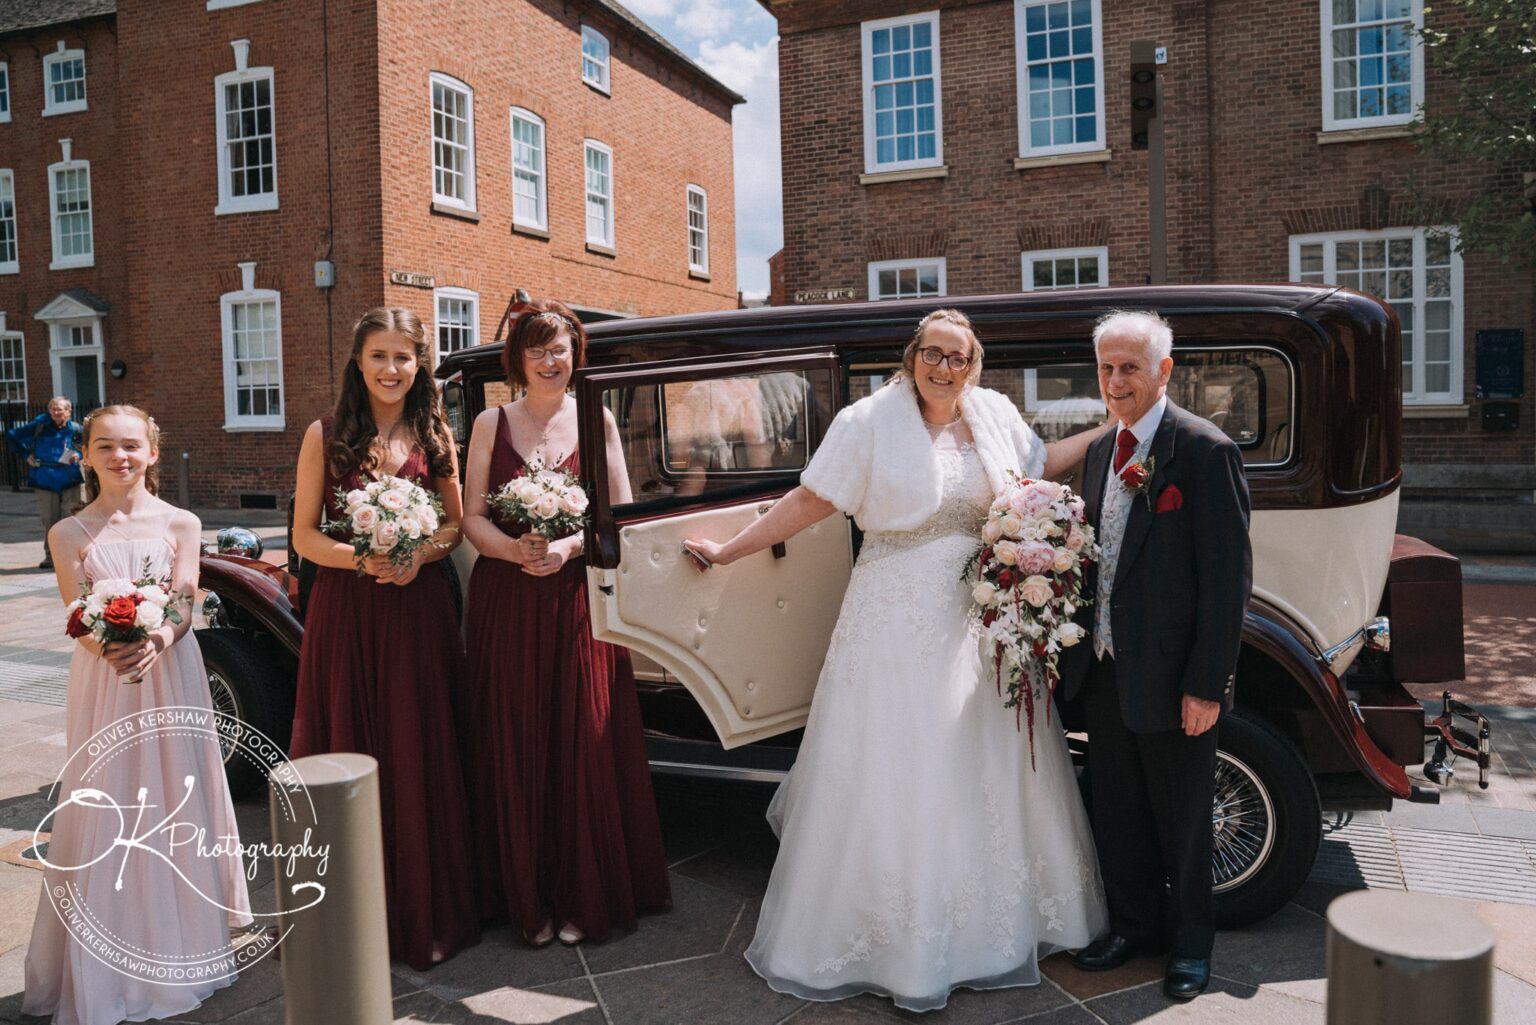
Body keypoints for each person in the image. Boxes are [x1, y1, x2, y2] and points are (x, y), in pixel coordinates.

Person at [685, 308, 1110, 1012]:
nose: (945, 367)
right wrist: (730, 550)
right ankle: (896, 943)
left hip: (981, 617)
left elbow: (1042, 464)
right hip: (893, 616)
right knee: (901, 759)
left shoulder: (994, 414)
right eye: (933, 353)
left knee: (986, 757)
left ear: (974, 364)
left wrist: (1114, 428)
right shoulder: (867, 422)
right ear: (912, 357)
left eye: (958, 357)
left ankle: (995, 928)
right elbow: (811, 500)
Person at [24, 405, 252, 1024]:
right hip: (105, 681)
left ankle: (181, 948)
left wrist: (158, 640)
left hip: (172, 672)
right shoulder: (68, 532)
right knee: (109, 800)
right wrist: (113, 651)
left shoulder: (182, 522)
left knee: (176, 793)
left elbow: (184, 600)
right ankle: (106, 962)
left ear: (153, 451)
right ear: (86, 455)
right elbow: (77, 614)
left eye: (130, 445)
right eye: (104, 445)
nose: (118, 456)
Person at [460, 299, 670, 947]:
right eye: (538, 350)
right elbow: (471, 517)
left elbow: (618, 514)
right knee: (516, 736)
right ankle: (524, 897)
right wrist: (514, 550)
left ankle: (583, 894)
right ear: (517, 360)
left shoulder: (596, 416)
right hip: (507, 600)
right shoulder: (491, 423)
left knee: (582, 736)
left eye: (560, 348)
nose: (551, 360)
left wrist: (566, 548)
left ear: (576, 353)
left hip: (576, 600)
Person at [1060, 311, 1251, 1001]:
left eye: (1130, 368)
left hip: (1175, 678)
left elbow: (1227, 583)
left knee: (1184, 819)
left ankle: (1191, 944)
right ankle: (1134, 926)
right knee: (1118, 810)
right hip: (1105, 669)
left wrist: (1206, 684)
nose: (1116, 381)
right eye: (1106, 368)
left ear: (1164, 370)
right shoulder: (1097, 453)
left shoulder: (1203, 451)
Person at [289, 307, 480, 970]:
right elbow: (303, 535)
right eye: (379, 356)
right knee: (351, 737)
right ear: (358, 361)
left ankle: (423, 904)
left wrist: (417, 556)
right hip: (347, 610)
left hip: (417, 610)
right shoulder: (325, 434)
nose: (392, 369)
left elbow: (454, 525)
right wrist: (362, 560)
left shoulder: (435, 433)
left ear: (420, 364)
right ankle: (346, 914)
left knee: (415, 740)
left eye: (404, 357)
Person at [7, 396, 85, 569]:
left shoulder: (76, 428)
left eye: (59, 409)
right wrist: (26, 455)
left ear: (69, 411)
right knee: (50, 520)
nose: (55, 413)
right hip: (44, 479)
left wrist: (78, 455)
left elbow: (87, 445)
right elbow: (12, 436)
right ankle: (51, 557)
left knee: (71, 519)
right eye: (52, 409)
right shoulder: (39, 426)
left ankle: (70, 555)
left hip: (69, 478)